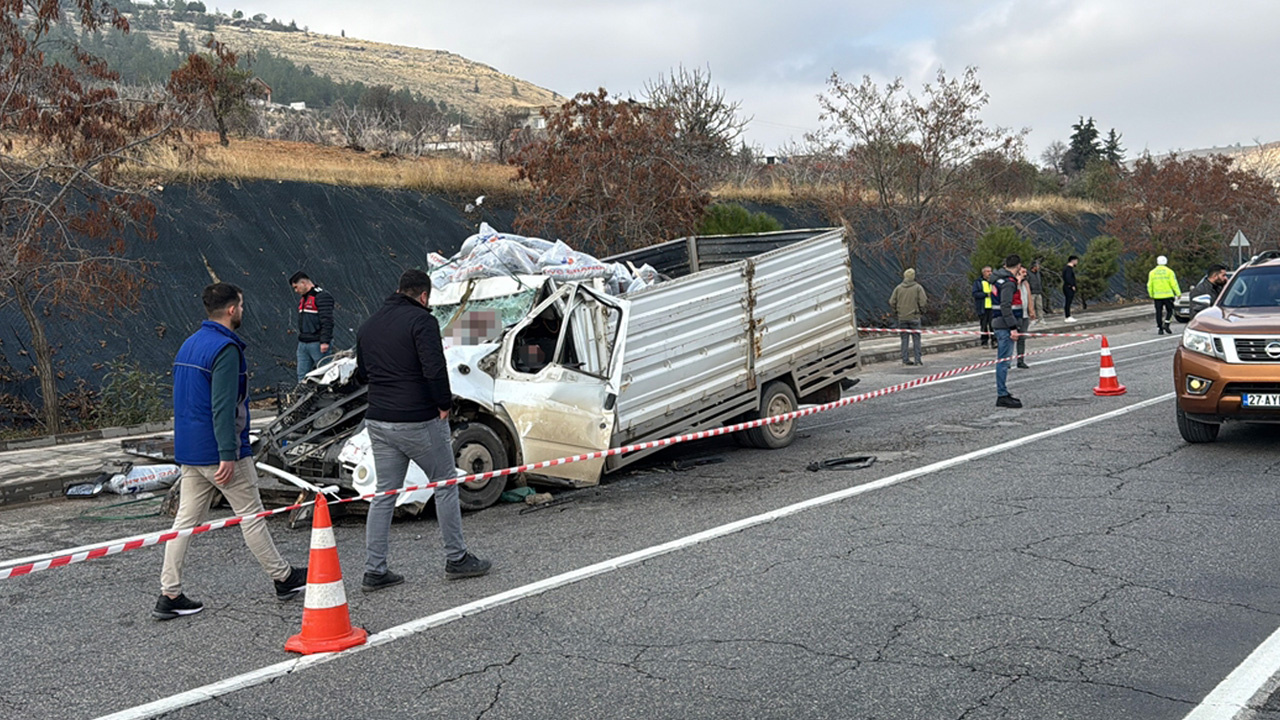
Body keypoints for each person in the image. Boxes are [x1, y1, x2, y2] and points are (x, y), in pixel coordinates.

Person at [154, 283, 307, 621]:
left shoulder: (189, 345)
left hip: (191, 450)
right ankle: (283, 578)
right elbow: (223, 406)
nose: (243, 310)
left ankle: (170, 593)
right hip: (221, 451)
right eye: (242, 304)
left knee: (184, 522)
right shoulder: (226, 349)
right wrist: (228, 452)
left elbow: (184, 401)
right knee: (252, 516)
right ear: (231, 310)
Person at [355, 268, 490, 592]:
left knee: (385, 493)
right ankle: (456, 559)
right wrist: (444, 403)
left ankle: (375, 570)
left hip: (378, 419)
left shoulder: (368, 325)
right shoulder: (423, 322)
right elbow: (434, 368)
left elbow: (361, 375)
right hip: (417, 419)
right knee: (444, 483)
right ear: (424, 296)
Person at [990, 254, 1024, 408]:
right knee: (1004, 361)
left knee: (1003, 361)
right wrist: (1013, 327)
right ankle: (1002, 395)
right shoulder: (1009, 283)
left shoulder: (997, 279)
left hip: (999, 323)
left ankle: (1003, 392)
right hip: (1004, 325)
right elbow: (1006, 306)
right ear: (1017, 266)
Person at [290, 271, 335, 383]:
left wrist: (324, 341)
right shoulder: (304, 299)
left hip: (317, 343)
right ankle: (302, 398)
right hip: (303, 343)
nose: (296, 291)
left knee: (324, 376)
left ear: (304, 283)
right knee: (302, 376)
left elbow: (327, 321)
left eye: (296, 287)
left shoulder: (321, 296)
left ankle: (327, 398)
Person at [888, 268, 927, 366]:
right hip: (914, 317)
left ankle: (905, 360)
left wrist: (897, 311)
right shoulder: (918, 288)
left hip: (902, 318)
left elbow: (892, 301)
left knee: (904, 339)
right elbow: (923, 301)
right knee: (916, 339)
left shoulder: (898, 288)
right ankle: (917, 360)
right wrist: (921, 311)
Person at [1146, 255, 1181, 335]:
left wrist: (1151, 294)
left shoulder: (1152, 272)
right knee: (1170, 311)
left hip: (1157, 296)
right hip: (1168, 296)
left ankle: (1160, 328)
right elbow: (1174, 284)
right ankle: (1167, 324)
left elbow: (1149, 285)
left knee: (1159, 312)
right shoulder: (1169, 272)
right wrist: (1178, 293)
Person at [1015, 266, 1033, 369]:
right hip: (1015, 314)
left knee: (1022, 338)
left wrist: (1031, 310)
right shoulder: (1013, 283)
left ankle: (1020, 360)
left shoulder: (1026, 284)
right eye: (1023, 272)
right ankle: (1006, 361)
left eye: (1026, 272)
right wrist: (1018, 280)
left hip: (1025, 314)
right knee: (1010, 338)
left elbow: (1029, 297)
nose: (1025, 274)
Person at [972, 266, 994, 347]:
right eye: (988, 271)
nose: (990, 273)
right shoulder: (978, 282)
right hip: (983, 307)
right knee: (984, 325)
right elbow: (975, 294)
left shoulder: (993, 281)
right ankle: (984, 342)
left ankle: (994, 341)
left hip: (992, 307)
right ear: (983, 273)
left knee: (993, 325)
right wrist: (986, 295)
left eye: (990, 271)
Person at [1026, 259, 1045, 326]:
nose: (1038, 267)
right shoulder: (1028, 274)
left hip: (1038, 291)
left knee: (1039, 306)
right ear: (1033, 267)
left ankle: (1041, 319)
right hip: (1032, 292)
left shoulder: (1038, 273)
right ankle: (1032, 319)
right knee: (1032, 307)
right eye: (1037, 266)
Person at [1062, 256, 1079, 322]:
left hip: (1068, 286)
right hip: (1068, 287)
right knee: (1068, 301)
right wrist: (1072, 285)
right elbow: (1068, 278)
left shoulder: (1068, 268)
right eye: (1076, 261)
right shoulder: (1068, 269)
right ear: (1073, 261)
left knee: (1069, 301)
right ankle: (1067, 316)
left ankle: (1068, 316)